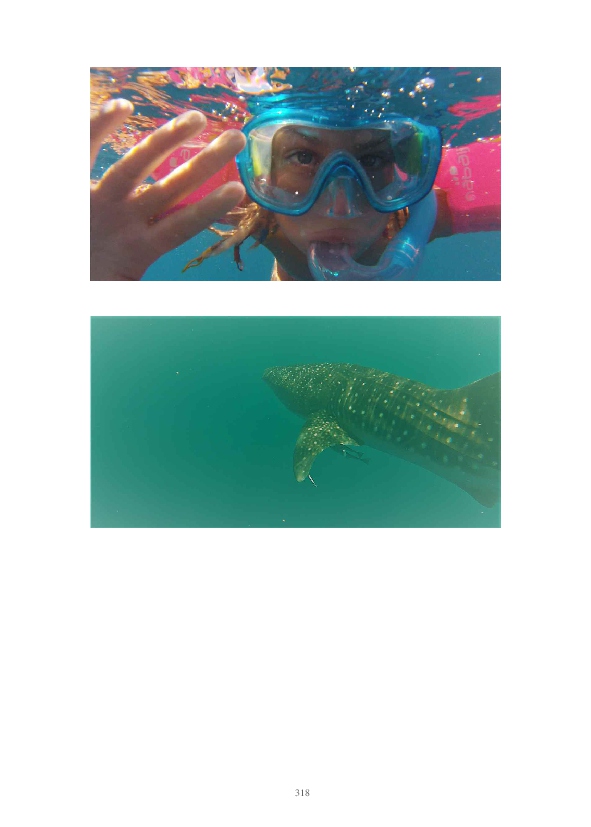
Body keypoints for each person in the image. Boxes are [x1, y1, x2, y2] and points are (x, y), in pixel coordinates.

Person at [90, 98, 500, 281]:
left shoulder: (417, 216)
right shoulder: (250, 209)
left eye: (373, 160)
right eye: (304, 157)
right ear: (265, 176)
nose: (341, 206)